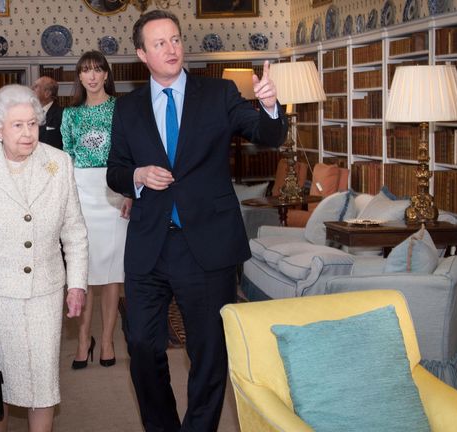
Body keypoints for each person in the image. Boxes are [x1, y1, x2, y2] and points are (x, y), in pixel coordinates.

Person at [106, 10, 286, 432]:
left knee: (208, 352)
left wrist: (270, 105)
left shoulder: (219, 93)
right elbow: (115, 169)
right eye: (159, 43)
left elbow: (269, 135)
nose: (171, 49)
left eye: (175, 39)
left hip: (206, 245)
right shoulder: (128, 108)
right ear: (141, 54)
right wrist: (137, 175)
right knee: (142, 346)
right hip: (150, 244)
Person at [0, 84, 88, 432]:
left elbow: (75, 231)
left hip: (45, 290)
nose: (28, 133)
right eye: (17, 126)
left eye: (33, 124)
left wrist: (78, 284)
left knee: (43, 384)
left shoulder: (59, 163)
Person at [61, 50, 132, 370]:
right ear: (79, 77)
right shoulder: (69, 115)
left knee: (112, 274)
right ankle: (82, 339)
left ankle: (106, 341)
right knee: (84, 273)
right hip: (80, 195)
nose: (91, 76)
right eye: (85, 71)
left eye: (97, 70)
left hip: (113, 192)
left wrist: (130, 191)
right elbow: (65, 161)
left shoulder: (122, 109)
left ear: (106, 75)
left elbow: (131, 153)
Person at [33, 76, 65, 150]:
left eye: (36, 87)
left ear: (47, 93)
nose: (32, 89)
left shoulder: (62, 115)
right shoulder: (28, 114)